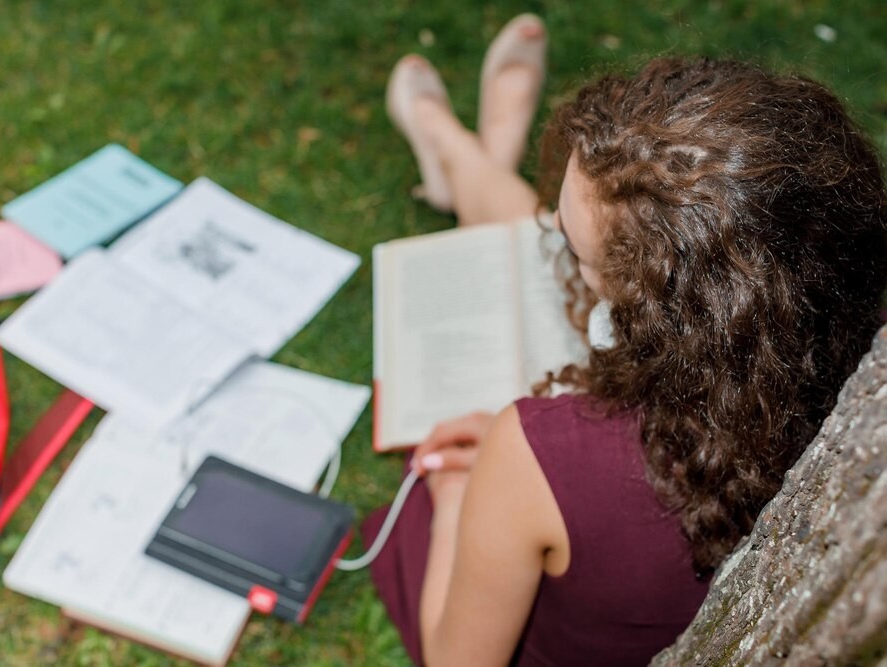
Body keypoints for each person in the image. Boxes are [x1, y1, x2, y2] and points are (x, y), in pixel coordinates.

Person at [362, 13, 887, 667]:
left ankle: (447, 142)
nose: (561, 246)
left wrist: (454, 495)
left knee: (524, 245)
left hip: (507, 603)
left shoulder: (538, 456)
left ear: (657, 310)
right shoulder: (836, 343)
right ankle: (465, 154)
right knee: (541, 234)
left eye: (577, 251)